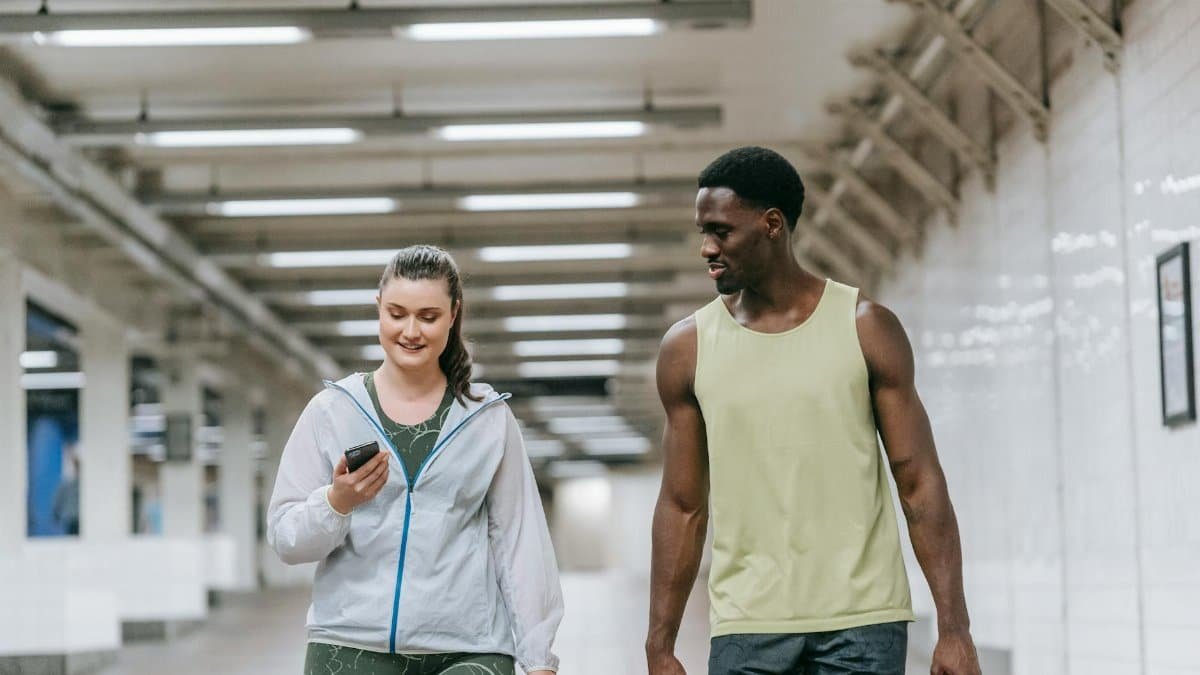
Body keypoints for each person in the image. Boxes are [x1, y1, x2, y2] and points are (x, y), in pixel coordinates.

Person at [645, 146, 982, 675]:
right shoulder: (687, 349)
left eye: (721, 231)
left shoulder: (865, 327)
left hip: (863, 624)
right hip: (747, 626)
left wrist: (955, 629)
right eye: (702, 232)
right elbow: (682, 505)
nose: (706, 248)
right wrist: (659, 644)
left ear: (772, 224)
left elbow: (919, 483)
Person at [268, 245, 563, 675]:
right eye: (396, 313)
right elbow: (285, 539)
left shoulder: (487, 418)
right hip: (349, 648)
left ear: (454, 314)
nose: (411, 331)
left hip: (470, 648)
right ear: (378, 309)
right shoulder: (332, 411)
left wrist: (539, 659)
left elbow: (521, 541)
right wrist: (336, 502)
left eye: (428, 316)